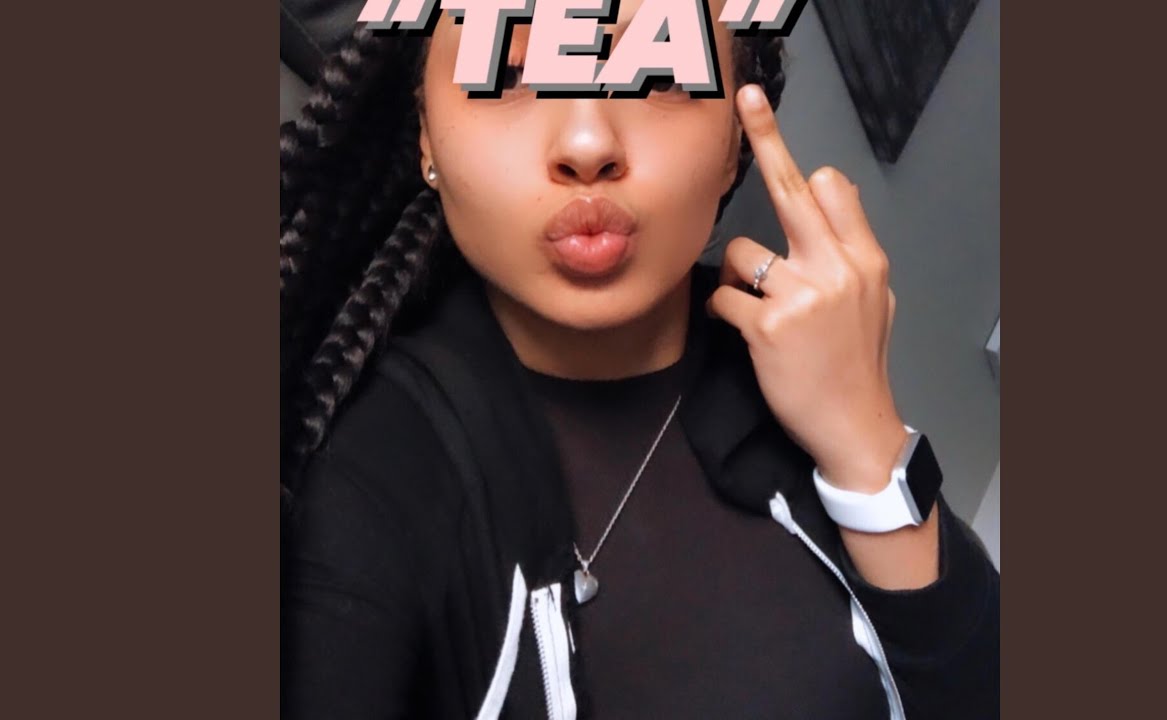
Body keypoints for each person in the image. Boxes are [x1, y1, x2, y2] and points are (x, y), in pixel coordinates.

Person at [281, 2, 999, 718]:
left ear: (733, 142)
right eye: (512, 71)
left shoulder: (808, 366)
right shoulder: (373, 477)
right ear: (425, 134)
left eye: (660, 71)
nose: (588, 141)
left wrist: (867, 441)